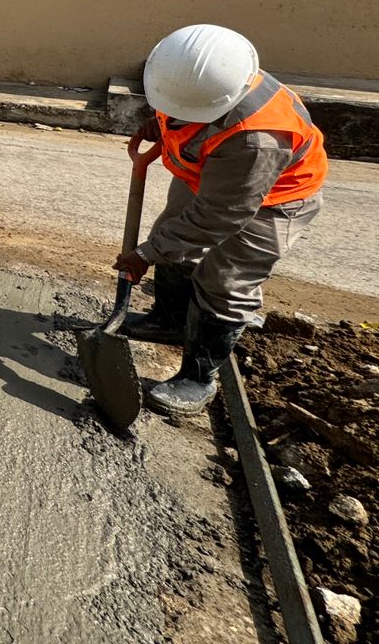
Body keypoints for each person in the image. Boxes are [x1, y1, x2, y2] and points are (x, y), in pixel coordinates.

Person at [115, 24, 327, 416]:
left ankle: (198, 378)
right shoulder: (189, 73)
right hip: (204, 175)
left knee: (226, 280)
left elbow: (218, 215)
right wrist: (163, 123)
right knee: (172, 237)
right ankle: (169, 320)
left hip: (273, 200)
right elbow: (182, 106)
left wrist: (145, 254)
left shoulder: (256, 138)